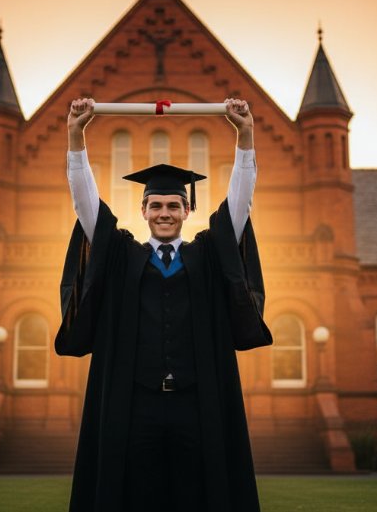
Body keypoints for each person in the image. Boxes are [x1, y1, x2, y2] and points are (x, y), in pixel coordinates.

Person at [56, 97, 272, 512]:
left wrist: (244, 135)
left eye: (173, 205)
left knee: (199, 495)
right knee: (135, 496)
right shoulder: (122, 257)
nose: (165, 213)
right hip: (136, 405)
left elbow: (239, 206)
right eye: (156, 205)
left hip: (196, 404)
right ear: (143, 210)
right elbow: (86, 206)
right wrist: (75, 136)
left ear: (187, 209)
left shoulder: (207, 257)